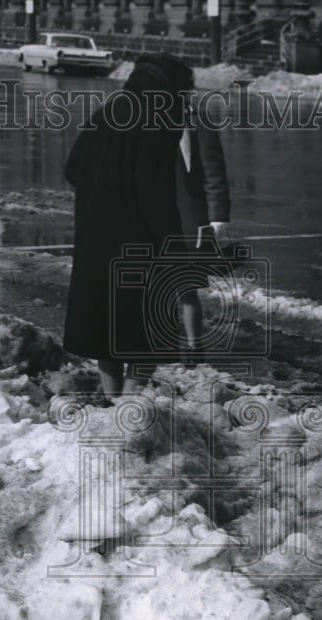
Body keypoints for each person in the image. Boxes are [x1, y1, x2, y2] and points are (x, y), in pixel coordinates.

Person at [62, 54, 193, 399]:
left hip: (95, 234)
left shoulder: (109, 109)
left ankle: (112, 400)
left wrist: (100, 194)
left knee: (106, 328)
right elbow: (155, 192)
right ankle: (130, 404)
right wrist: (172, 245)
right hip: (138, 238)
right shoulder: (163, 116)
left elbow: (72, 169)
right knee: (146, 334)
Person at [174, 92, 232, 363]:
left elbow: (215, 173)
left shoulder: (197, 121)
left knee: (186, 287)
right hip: (151, 215)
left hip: (187, 219)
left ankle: (193, 348)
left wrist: (217, 218)